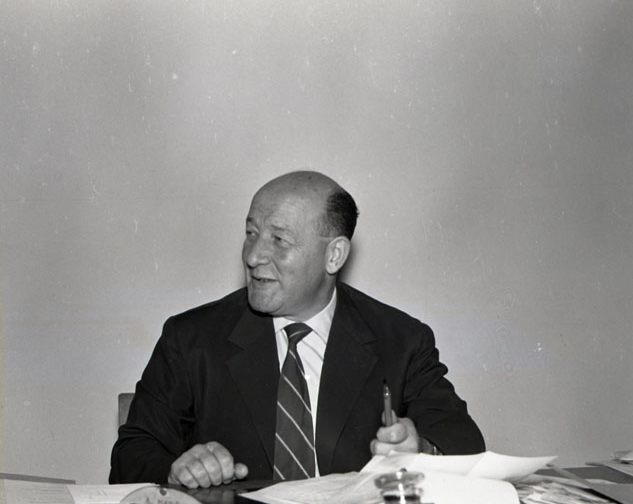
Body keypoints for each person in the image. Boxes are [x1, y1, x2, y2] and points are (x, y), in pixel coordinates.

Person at [110, 170, 484, 487]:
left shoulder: (401, 340)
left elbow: (465, 445)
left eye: (279, 240)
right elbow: (132, 455)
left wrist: (421, 452)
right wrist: (177, 470)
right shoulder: (192, 339)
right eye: (251, 233)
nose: (253, 256)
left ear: (334, 255)